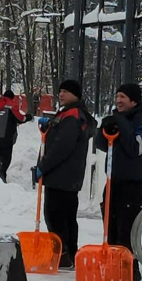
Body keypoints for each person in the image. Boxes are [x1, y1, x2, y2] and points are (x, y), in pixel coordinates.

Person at [94, 82, 142, 281]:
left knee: (127, 231)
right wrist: (105, 127)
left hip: (133, 186)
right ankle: (114, 270)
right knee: (110, 229)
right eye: (117, 96)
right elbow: (102, 144)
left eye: (123, 97)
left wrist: (121, 123)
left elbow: (135, 147)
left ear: (134, 100)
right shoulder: (119, 118)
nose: (118, 100)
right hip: (113, 182)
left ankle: (129, 273)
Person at [36, 79, 94, 269]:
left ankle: (62, 255)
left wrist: (43, 166)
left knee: (55, 216)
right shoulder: (70, 113)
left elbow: (62, 146)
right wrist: (50, 126)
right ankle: (69, 253)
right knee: (67, 217)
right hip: (67, 176)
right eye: (60, 91)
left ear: (75, 95)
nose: (61, 94)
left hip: (61, 175)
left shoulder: (73, 115)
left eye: (66, 92)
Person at [0, 90, 32, 181]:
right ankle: (1, 176)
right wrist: (29, 117)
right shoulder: (11, 105)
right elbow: (20, 118)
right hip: (6, 137)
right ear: (12, 97)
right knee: (5, 158)